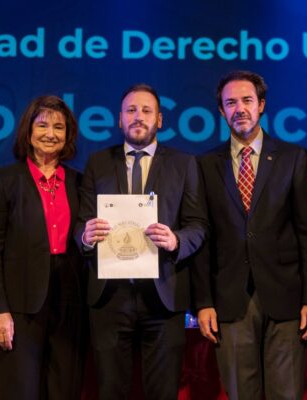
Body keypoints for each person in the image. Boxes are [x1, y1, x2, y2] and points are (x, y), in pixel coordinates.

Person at [191, 70, 307, 400]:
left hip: (286, 298)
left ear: (261, 105)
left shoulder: (293, 158)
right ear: (221, 111)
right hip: (230, 300)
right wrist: (203, 303)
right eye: (231, 103)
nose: (239, 109)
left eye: (247, 100)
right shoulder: (204, 165)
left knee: (287, 394)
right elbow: (202, 239)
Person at [76, 83, 208, 400]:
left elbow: (198, 225)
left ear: (159, 119)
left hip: (164, 296)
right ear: (119, 119)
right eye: (131, 110)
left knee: (163, 393)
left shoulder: (184, 163)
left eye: (146, 111)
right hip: (110, 298)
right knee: (111, 391)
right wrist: (85, 236)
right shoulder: (98, 162)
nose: (138, 117)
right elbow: (81, 222)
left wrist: (176, 240)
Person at [0, 95, 86, 399]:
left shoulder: (80, 183)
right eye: (42, 125)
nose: (50, 133)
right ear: (28, 131)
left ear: (68, 135)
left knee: (64, 390)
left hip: (70, 305)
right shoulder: (3, 180)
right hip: (19, 308)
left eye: (59, 127)